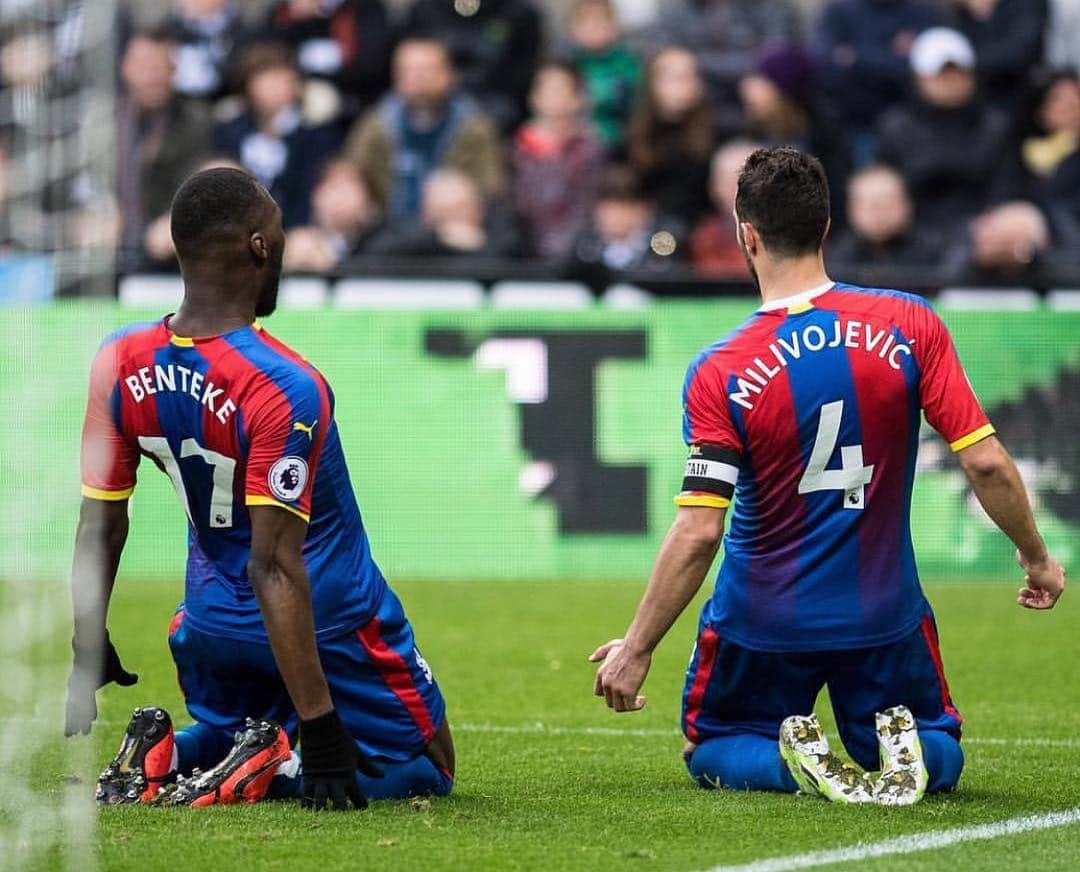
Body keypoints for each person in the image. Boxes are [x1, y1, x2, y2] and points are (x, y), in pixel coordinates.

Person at [590, 147, 1065, 806]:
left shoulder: (721, 369)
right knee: (939, 742)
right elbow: (982, 459)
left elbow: (700, 529)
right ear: (826, 226)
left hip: (762, 622)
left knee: (718, 743)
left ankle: (789, 761)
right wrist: (1037, 557)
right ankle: (909, 750)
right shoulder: (910, 324)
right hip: (883, 614)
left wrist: (638, 646)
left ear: (745, 235)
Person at [66, 168, 454, 809]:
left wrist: (88, 640)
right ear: (259, 247)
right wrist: (323, 726)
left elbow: (100, 521)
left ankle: (171, 752)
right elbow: (274, 562)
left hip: (209, 620)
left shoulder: (119, 359)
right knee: (430, 766)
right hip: (328, 622)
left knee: (225, 732)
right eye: (278, 230)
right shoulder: (284, 384)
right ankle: (271, 773)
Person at [342, 38, 505, 222]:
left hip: (453, 231)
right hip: (385, 232)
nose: (417, 77)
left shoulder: (473, 128)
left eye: (425, 69)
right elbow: (352, 176)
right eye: (407, 70)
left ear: (449, 74)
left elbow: (490, 188)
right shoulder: (376, 125)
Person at [876, 27, 1011, 233]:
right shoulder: (896, 127)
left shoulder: (995, 125)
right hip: (909, 233)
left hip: (982, 231)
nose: (949, 81)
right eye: (939, 74)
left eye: (957, 73)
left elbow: (1004, 188)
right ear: (918, 78)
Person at [214, 42, 343, 229]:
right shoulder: (231, 131)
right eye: (264, 77)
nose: (273, 86)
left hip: (298, 232)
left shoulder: (317, 135)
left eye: (281, 76)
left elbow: (312, 189)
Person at [116, 29, 213, 271]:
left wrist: (178, 221)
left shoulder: (196, 120)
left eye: (161, 66)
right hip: (106, 249)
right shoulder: (100, 121)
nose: (153, 76)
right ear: (125, 68)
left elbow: (202, 179)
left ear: (174, 70)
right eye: (145, 66)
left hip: (173, 247)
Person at [812, 0, 942, 165]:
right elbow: (826, 69)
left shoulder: (923, 10)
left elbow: (917, 70)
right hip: (850, 125)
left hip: (912, 127)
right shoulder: (837, 10)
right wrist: (889, 57)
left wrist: (855, 57)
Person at [510, 62, 606, 261]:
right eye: (545, 89)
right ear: (533, 97)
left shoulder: (592, 149)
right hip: (522, 248)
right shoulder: (515, 148)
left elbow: (588, 204)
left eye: (560, 89)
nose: (552, 96)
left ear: (578, 98)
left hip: (577, 252)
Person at [399, 0, 542, 133]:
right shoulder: (423, 11)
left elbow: (523, 78)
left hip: (496, 108)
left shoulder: (518, 13)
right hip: (430, 102)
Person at [627, 47, 715, 224]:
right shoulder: (633, 134)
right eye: (676, 77)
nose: (685, 84)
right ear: (653, 82)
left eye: (691, 76)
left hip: (702, 230)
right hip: (650, 231)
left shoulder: (716, 131)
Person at [261, 0, 391, 111]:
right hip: (294, 86)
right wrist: (299, 20)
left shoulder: (364, 8)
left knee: (321, 102)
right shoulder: (285, 12)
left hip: (349, 94)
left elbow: (371, 66)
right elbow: (266, 56)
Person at [366, 168, 520, 260]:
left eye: (459, 210)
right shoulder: (411, 236)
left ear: (478, 208)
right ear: (426, 214)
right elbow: (374, 255)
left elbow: (518, 259)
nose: (451, 220)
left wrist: (480, 246)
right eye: (442, 213)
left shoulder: (504, 231)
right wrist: (438, 237)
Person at [562, 0, 642, 151]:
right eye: (585, 22)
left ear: (615, 26)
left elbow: (635, 105)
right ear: (572, 28)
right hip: (573, 142)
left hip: (618, 139)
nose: (593, 28)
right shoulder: (567, 64)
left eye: (601, 21)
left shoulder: (627, 63)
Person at [828, 163, 938, 269]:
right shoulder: (836, 259)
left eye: (888, 203)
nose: (879, 214)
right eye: (870, 206)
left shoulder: (936, 252)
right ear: (852, 209)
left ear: (907, 204)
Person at [284, 159, 383, 272]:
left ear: (369, 203)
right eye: (332, 187)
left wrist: (331, 265)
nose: (337, 199)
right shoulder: (299, 244)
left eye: (346, 190)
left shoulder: (383, 244)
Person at [689, 139, 759, 277]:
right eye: (729, 182)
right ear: (713, 188)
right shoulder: (702, 239)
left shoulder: (789, 236)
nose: (737, 191)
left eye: (748, 182)